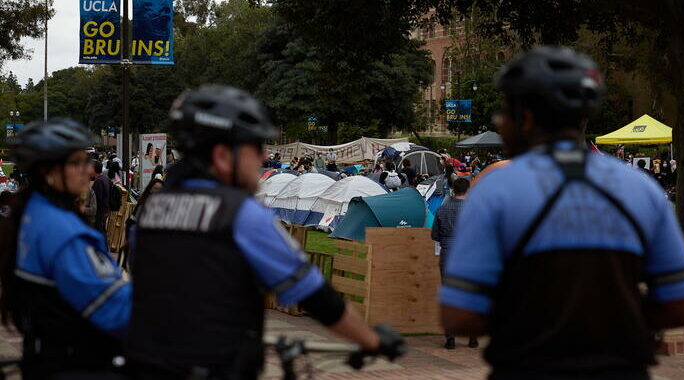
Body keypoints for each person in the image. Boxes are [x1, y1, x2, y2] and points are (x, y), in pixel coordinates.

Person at [440, 47, 684, 380]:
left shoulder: (495, 189)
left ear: (527, 119)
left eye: (505, 112)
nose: (502, 124)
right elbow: (680, 306)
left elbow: (458, 315)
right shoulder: (641, 189)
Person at [127, 85, 405, 379]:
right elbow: (316, 296)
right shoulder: (240, 214)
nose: (262, 157)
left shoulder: (154, 209)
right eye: (255, 147)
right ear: (223, 156)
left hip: (146, 360)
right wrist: (373, 341)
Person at [0, 118, 131, 379]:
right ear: (49, 171)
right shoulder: (64, 233)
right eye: (76, 163)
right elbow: (118, 312)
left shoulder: (30, 213)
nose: (87, 170)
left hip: (44, 357)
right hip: (80, 363)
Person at [430, 178, 478, 350]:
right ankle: (472, 336)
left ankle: (450, 338)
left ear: (452, 191)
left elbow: (434, 235)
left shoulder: (442, 209)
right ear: (468, 190)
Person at [92, 160, 111, 234]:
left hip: (100, 213)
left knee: (100, 232)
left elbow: (96, 199)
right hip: (106, 210)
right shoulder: (106, 178)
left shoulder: (98, 181)